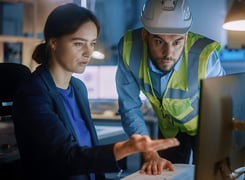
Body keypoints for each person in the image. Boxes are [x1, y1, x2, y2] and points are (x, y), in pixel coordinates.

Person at [12, 3, 179, 180]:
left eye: (92, 44)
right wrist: (127, 147)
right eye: (78, 44)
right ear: (53, 42)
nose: (88, 52)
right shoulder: (33, 93)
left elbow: (88, 150)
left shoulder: (78, 88)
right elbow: (66, 157)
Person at [116, 0, 226, 175]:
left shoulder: (205, 56)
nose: (168, 53)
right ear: (145, 36)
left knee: (209, 175)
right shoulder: (129, 49)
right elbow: (129, 107)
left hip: (206, 128)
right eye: (159, 42)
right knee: (163, 173)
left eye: (177, 42)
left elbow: (221, 109)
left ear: (186, 37)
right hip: (169, 130)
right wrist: (150, 152)